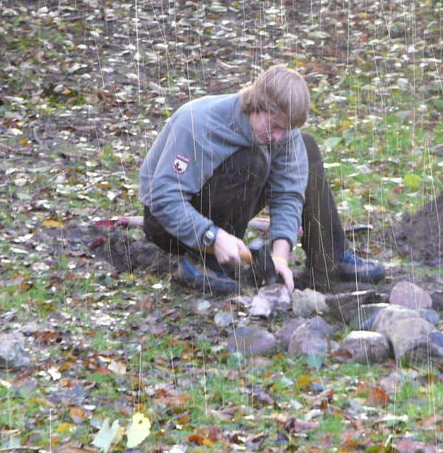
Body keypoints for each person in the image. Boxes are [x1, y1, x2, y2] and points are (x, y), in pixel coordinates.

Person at [139, 64, 385, 295]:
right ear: (256, 105)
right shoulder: (197, 123)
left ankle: (329, 263)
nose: (279, 137)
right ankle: (204, 261)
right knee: (251, 160)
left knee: (305, 148)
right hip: (167, 225)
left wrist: (280, 256)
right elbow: (163, 199)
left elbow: (288, 193)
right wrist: (212, 237)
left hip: (221, 219)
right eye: (274, 126)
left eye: (285, 129)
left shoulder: (281, 132)